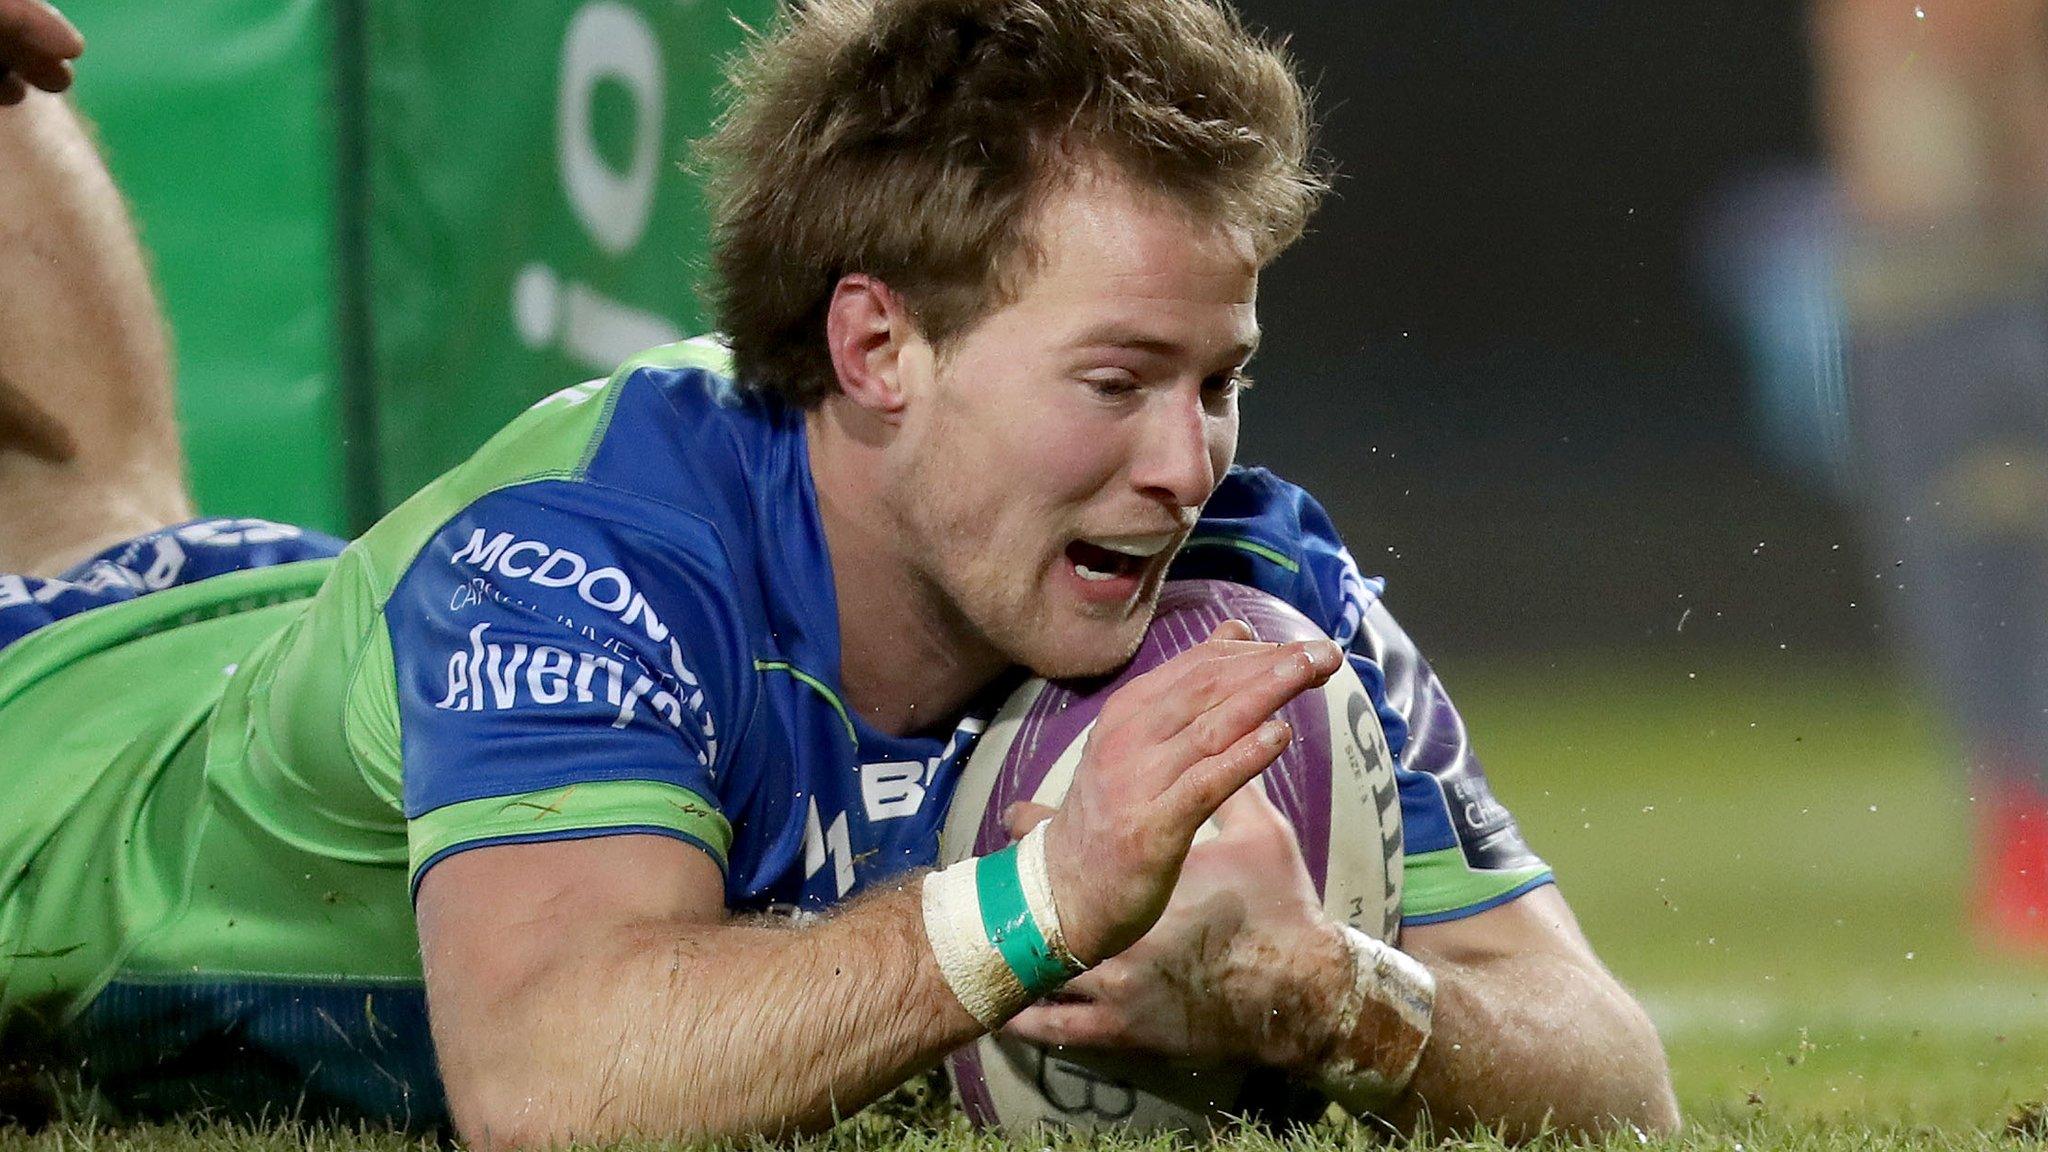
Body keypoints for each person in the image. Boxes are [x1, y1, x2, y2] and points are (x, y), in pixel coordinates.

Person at [0, 0, 1679, 1142]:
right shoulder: (594, 552)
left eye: (1217, 376)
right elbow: (549, 1080)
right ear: (877, 343)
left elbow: (1614, 1071)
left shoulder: (1245, 579)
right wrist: (1043, 904)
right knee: (85, 528)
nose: (1187, 460)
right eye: (1114, 382)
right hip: (43, 775)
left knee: (109, 495)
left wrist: (1333, 996)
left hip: (243, 619)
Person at [1809, 0, 2048, 948]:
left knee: (1994, 555)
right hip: (1938, 261)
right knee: (1972, 554)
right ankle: (2020, 817)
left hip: (1966, 256)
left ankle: (2025, 819)